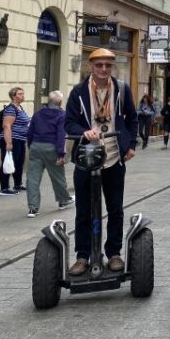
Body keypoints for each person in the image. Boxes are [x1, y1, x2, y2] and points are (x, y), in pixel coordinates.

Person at [65, 48, 138, 276]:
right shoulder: (78, 92)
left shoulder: (122, 89)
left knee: (115, 209)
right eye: (99, 65)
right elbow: (69, 123)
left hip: (113, 157)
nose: (104, 69)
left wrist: (131, 145)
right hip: (86, 158)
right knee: (83, 210)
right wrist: (84, 131)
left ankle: (114, 253)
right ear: (91, 66)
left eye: (108, 65)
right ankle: (82, 256)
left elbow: (132, 119)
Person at [25, 90, 73, 218]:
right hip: (52, 147)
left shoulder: (38, 113)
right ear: (60, 102)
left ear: (49, 101)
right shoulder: (62, 115)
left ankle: (33, 208)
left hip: (36, 146)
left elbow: (30, 131)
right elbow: (61, 135)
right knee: (57, 176)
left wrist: (31, 145)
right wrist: (61, 154)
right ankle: (63, 200)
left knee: (33, 178)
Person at [0, 86, 30, 196]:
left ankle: (18, 184)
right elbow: (6, 126)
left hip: (20, 140)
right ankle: (4, 188)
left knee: (19, 163)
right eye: (20, 94)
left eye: (23, 93)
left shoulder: (20, 108)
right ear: (13, 96)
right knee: (7, 162)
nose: (23, 96)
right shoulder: (11, 109)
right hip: (12, 139)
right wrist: (8, 143)